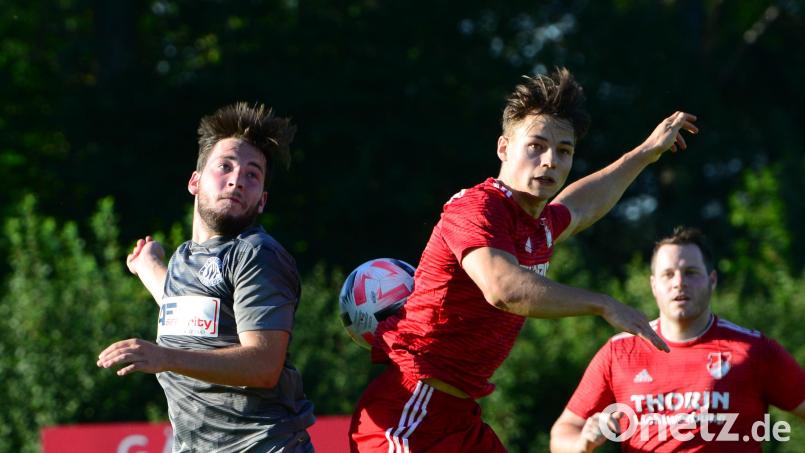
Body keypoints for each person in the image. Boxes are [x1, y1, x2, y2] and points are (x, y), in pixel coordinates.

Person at [349, 67, 698, 452]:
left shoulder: (539, 224)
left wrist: (646, 152)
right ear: (503, 148)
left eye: (564, 151)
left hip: (459, 417)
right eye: (536, 146)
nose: (550, 161)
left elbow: (583, 204)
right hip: (409, 413)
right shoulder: (475, 208)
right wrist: (603, 304)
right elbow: (503, 288)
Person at [97, 102, 315, 452]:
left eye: (252, 175)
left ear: (262, 201)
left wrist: (164, 357)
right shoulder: (185, 258)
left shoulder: (256, 254)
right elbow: (189, 314)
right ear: (195, 182)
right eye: (225, 166)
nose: (236, 180)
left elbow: (263, 365)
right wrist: (149, 268)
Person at [550, 226, 805, 452]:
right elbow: (562, 433)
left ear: (712, 280)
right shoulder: (620, 352)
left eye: (691, 272)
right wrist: (582, 443)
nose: (679, 283)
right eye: (668, 274)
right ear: (653, 285)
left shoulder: (754, 350)